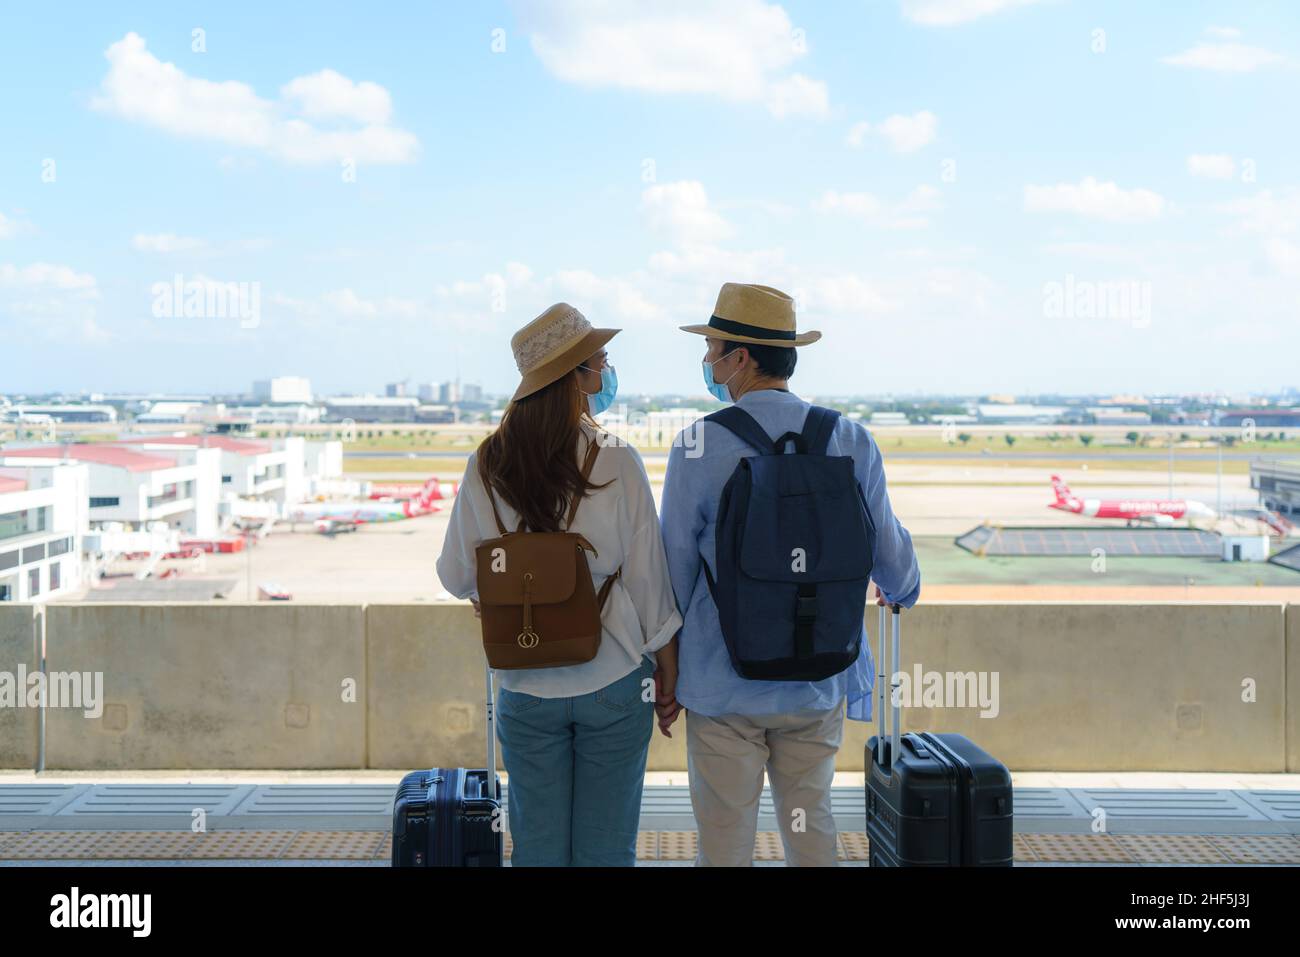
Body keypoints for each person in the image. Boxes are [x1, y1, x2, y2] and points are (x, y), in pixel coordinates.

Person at [657, 282, 921, 867]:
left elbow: (671, 569)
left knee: (725, 836)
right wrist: (904, 589)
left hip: (723, 681)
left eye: (713, 349)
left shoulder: (697, 443)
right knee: (811, 824)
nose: (708, 362)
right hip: (818, 675)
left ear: (741, 358)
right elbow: (891, 555)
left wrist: (666, 667)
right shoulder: (849, 439)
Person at [436, 302, 682, 867]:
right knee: (606, 849)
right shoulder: (617, 459)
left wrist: (504, 593)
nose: (606, 374)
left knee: (539, 850)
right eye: (600, 363)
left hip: (522, 684)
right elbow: (649, 582)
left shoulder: (487, 462)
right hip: (616, 679)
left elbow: (455, 574)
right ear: (575, 379)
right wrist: (668, 666)